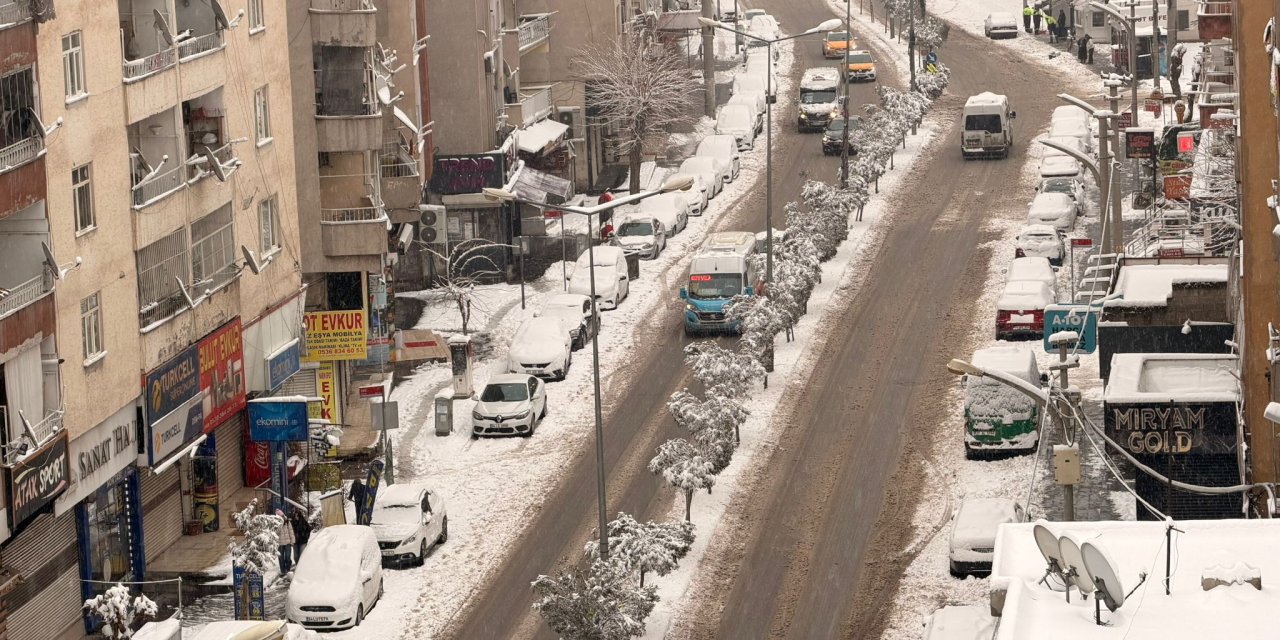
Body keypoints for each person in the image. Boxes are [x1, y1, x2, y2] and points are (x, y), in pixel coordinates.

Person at [276, 509, 296, 573]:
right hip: (280, 543)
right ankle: (283, 571)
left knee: (287, 557)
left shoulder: (287, 522)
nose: (281, 517)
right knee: (281, 558)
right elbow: (275, 533)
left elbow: (291, 531)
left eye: (281, 516)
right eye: (279, 516)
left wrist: (292, 541)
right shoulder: (275, 523)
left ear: (283, 515)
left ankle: (288, 569)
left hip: (288, 543)